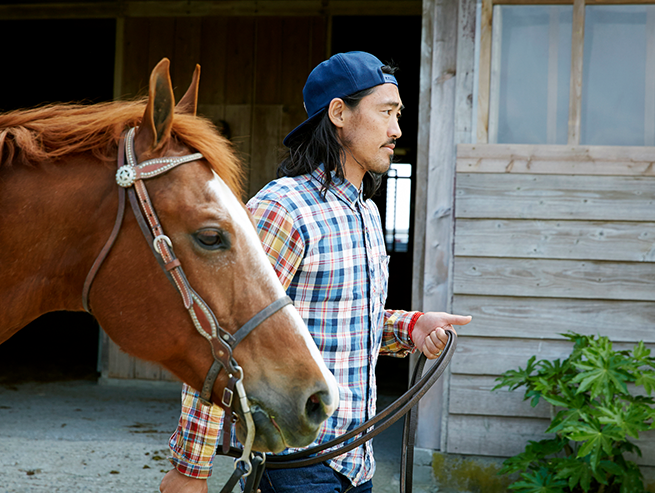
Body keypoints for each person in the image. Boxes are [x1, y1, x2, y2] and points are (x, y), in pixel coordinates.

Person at [160, 51, 472, 493]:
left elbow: (339, 323)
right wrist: (191, 467)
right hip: (292, 464)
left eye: (398, 115)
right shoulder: (283, 208)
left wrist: (412, 327)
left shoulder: (365, 213)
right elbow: (222, 335)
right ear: (339, 113)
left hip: (356, 462)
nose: (397, 130)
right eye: (386, 112)